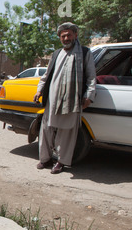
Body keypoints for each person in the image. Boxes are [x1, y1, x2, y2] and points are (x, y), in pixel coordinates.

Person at [33, 22, 96, 174]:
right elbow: (46, 76)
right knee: (46, 130)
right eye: (63, 36)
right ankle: (45, 159)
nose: (66, 38)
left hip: (71, 101)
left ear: (75, 35)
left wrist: (89, 96)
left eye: (69, 35)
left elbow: (91, 77)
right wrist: (39, 90)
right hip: (52, 99)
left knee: (66, 133)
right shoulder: (56, 54)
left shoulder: (85, 53)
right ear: (60, 38)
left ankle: (61, 161)